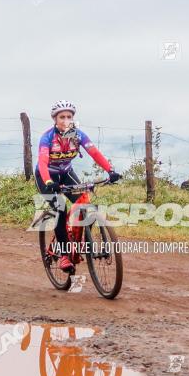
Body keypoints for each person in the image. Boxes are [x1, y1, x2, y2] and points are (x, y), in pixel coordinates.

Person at [36, 100, 121, 273]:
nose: (66, 120)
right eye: (62, 117)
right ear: (55, 119)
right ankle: (66, 254)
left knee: (86, 204)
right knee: (59, 207)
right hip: (46, 176)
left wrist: (110, 170)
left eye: (69, 116)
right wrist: (48, 182)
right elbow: (43, 162)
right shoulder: (47, 138)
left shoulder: (78, 135)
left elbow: (94, 153)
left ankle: (80, 238)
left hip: (66, 173)